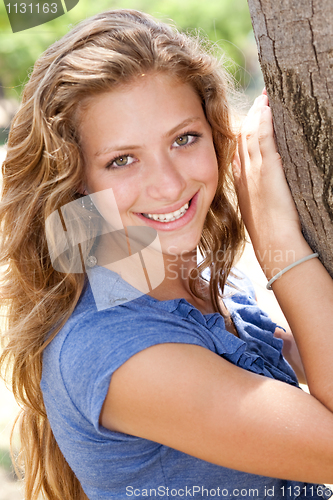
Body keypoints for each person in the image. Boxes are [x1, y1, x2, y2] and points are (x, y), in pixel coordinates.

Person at [1, 8, 333, 500]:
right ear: (76, 179)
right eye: (122, 159)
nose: (170, 184)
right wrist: (278, 245)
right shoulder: (124, 355)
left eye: (184, 138)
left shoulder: (180, 277)